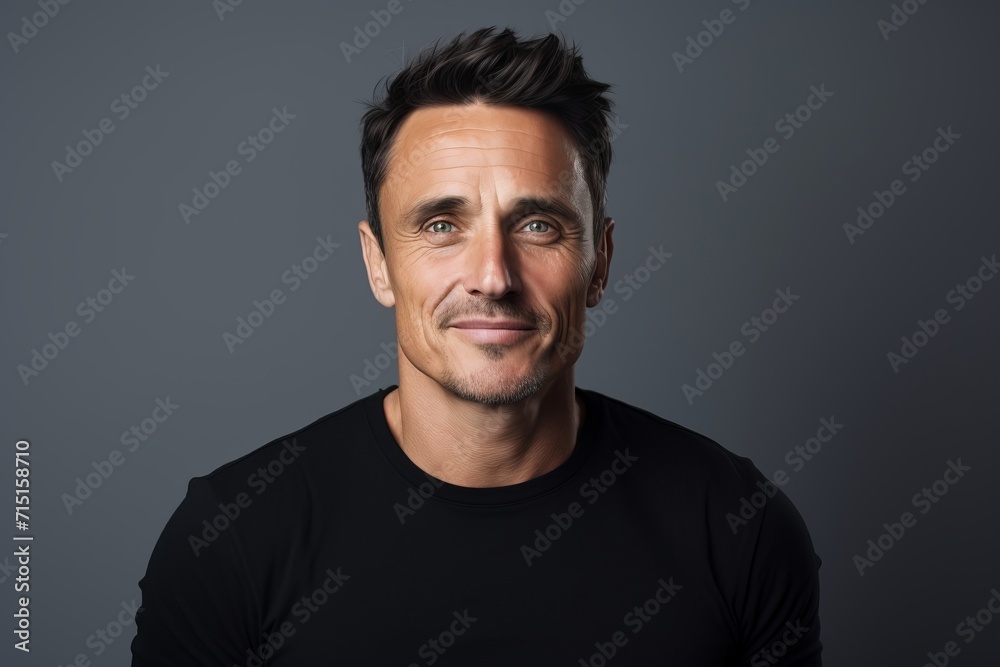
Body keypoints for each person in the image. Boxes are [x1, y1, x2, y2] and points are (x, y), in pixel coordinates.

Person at [131, 26, 822, 666]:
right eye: (440, 225)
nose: (493, 277)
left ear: (600, 263)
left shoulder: (738, 529)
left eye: (539, 225)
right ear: (378, 265)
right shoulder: (231, 540)